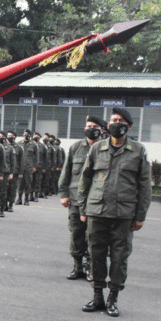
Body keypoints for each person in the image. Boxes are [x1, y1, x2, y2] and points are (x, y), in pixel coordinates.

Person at [78, 107, 151, 317]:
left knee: (119, 258)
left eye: (120, 120)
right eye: (112, 120)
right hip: (97, 211)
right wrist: (83, 208)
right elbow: (85, 180)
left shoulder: (138, 150)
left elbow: (145, 186)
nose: (115, 123)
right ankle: (98, 296)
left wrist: (140, 215)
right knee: (96, 255)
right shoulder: (97, 148)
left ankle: (113, 299)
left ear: (129, 126)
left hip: (123, 214)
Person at [60, 116, 105, 281]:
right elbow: (66, 171)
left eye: (94, 126)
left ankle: (90, 266)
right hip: (76, 199)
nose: (90, 128)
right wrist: (63, 194)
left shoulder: (106, 148)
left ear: (102, 129)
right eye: (88, 126)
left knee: (94, 235)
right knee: (76, 232)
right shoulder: (76, 147)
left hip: (97, 200)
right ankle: (77, 265)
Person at [17, 130, 37, 206]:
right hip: (20, 167)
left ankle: (26, 199)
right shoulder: (19, 143)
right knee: (20, 183)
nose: (26, 135)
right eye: (25, 134)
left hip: (29, 167)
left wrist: (35, 166)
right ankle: (19, 198)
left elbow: (36, 157)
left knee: (28, 183)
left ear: (31, 136)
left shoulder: (34, 145)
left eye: (28, 134)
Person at [6, 131, 23, 212]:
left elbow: (21, 161)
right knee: (4, 189)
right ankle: (4, 205)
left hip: (15, 172)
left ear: (15, 137)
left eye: (12, 136)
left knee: (12, 189)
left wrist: (20, 172)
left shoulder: (19, 148)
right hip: (5, 171)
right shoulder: (4, 146)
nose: (10, 137)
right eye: (8, 135)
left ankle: (10, 205)